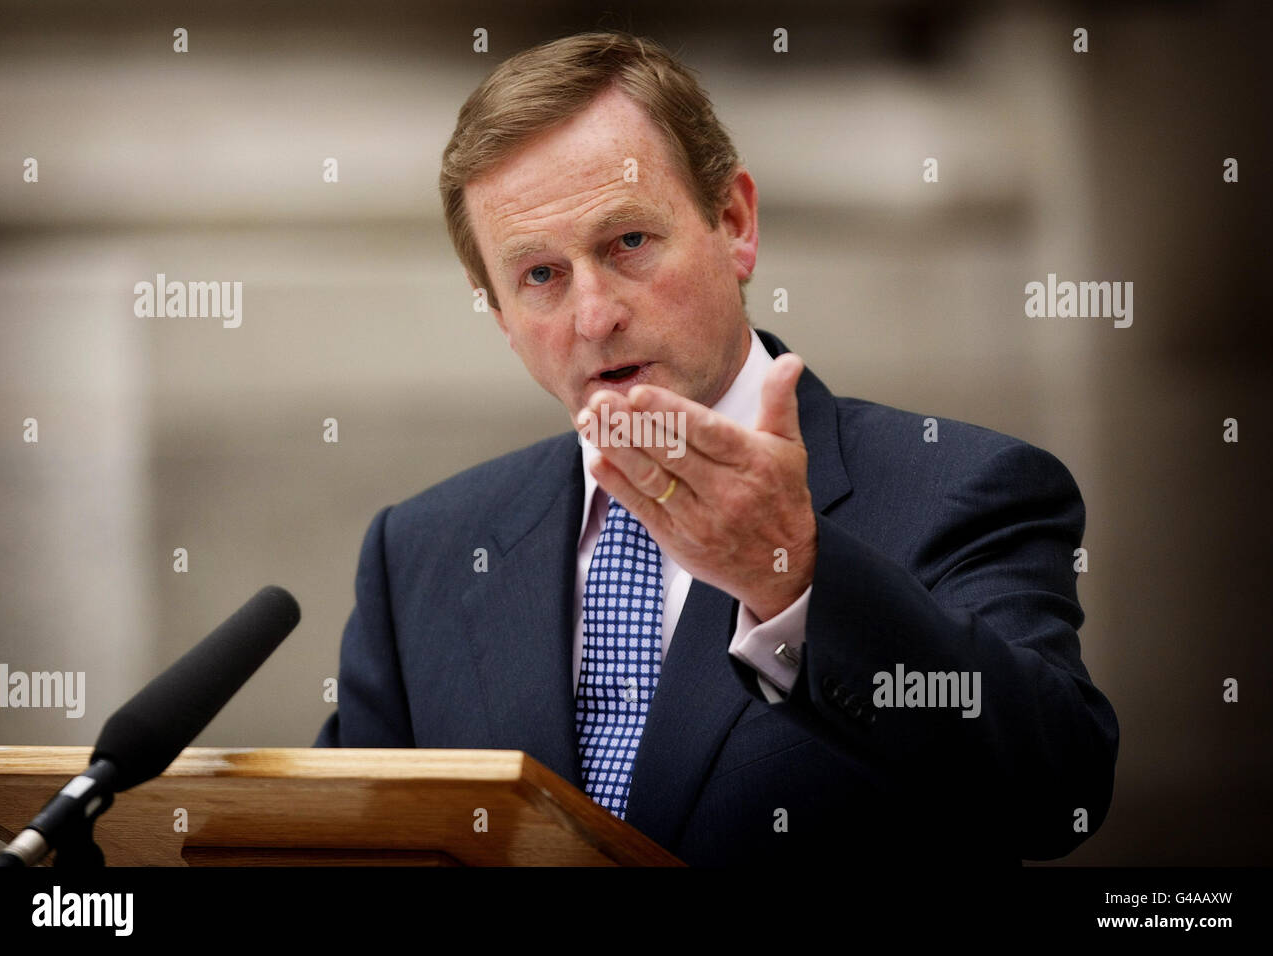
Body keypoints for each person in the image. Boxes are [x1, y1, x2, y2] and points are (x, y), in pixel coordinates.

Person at [315, 31, 1119, 866]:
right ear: (500, 318)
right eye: (541, 276)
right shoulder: (423, 553)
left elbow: (1057, 792)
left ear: (733, 224)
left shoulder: (964, 488)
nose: (594, 317)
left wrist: (793, 578)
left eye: (627, 242)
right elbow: (356, 843)